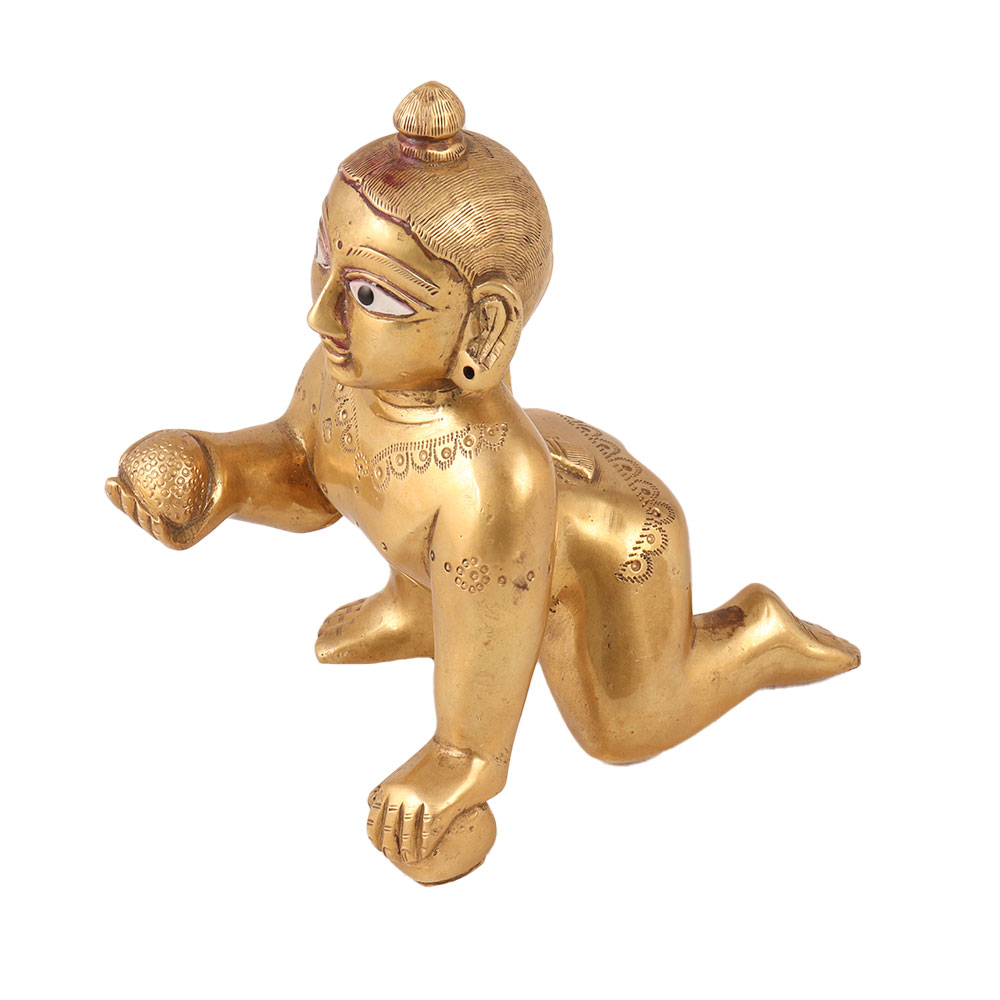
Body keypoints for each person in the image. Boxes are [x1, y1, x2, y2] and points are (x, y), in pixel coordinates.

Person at [107, 82, 859, 884]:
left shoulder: (490, 483)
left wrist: (460, 760)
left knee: (622, 731)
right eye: (326, 257)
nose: (321, 316)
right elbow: (311, 469)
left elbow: (478, 722)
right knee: (435, 538)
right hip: (498, 525)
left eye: (369, 295)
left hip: (609, 555)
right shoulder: (342, 373)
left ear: (485, 325)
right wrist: (216, 474)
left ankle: (756, 635)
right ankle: (423, 610)